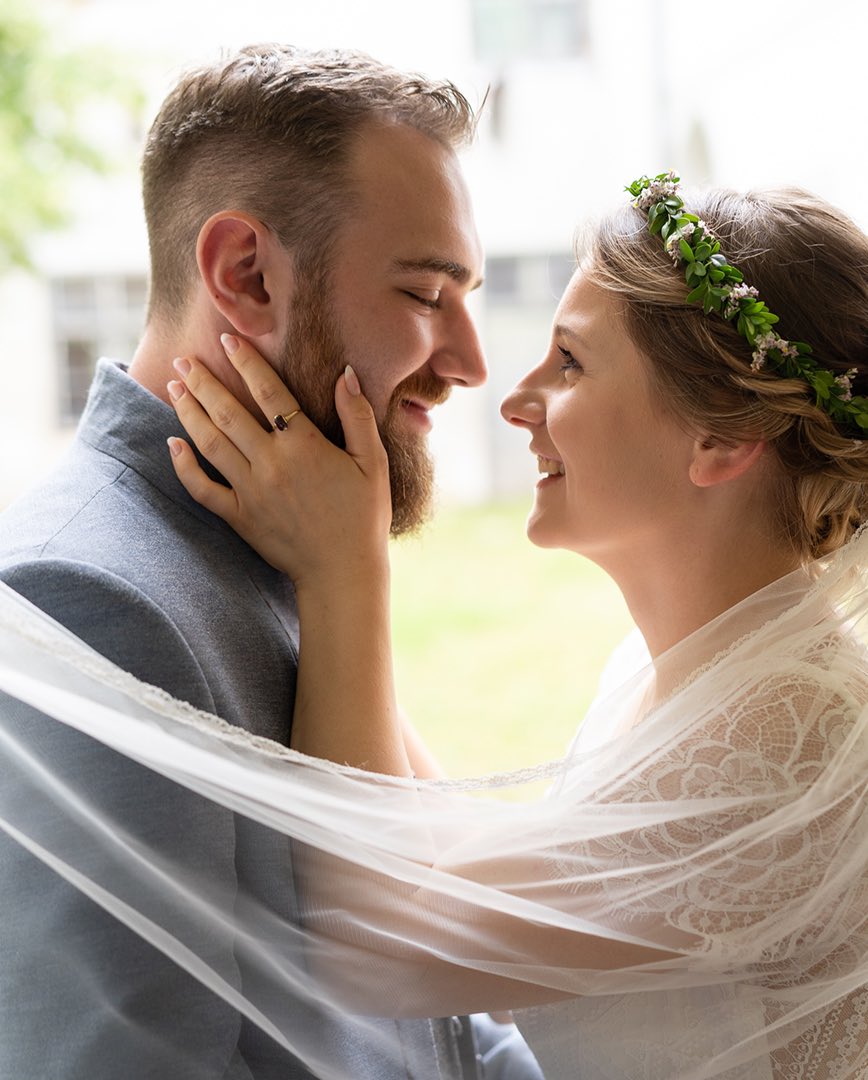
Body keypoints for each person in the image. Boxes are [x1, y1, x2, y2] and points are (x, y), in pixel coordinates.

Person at [0, 172, 865, 1078]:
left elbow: (379, 944)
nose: (514, 397)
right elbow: (451, 856)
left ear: (721, 440)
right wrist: (313, 573)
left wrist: (345, 574)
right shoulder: (686, 678)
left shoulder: (788, 738)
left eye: (569, 362)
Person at [0, 42, 542, 1080]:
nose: (473, 362)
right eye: (428, 295)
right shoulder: (77, 604)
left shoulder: (300, 540)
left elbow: (446, 1018)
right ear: (244, 274)